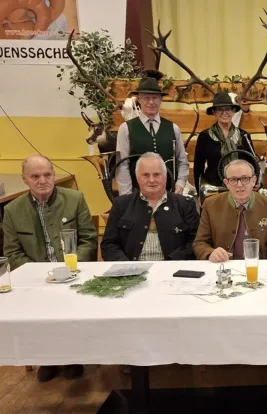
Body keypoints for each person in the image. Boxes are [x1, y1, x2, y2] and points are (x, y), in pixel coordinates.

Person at [2, 155, 97, 382]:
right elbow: (12, 252)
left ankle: (73, 356)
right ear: (25, 179)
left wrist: (70, 269)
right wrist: (38, 275)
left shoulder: (75, 199)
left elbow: (89, 240)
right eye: (35, 176)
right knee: (36, 309)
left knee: (69, 305)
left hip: (73, 273)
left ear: (54, 175)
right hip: (34, 279)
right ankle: (47, 358)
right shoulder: (13, 210)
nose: (42, 180)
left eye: (47, 175)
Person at [101, 153, 199, 261]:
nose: (151, 180)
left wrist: (170, 264)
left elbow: (195, 243)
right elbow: (109, 245)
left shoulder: (185, 205)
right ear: (137, 178)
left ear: (165, 176)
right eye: (146, 175)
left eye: (157, 174)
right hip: (130, 274)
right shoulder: (121, 205)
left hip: (173, 272)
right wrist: (126, 266)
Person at [116, 69, 189, 195]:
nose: (151, 102)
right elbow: (122, 165)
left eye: (155, 97)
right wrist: (126, 196)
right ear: (139, 99)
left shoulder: (173, 128)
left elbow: (182, 161)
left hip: (169, 194)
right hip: (137, 194)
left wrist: (180, 185)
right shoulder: (125, 128)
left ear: (161, 99)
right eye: (146, 97)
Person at [193, 160, 267, 261]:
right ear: (226, 183)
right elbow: (199, 243)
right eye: (233, 180)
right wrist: (210, 253)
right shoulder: (210, 204)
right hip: (223, 266)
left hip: (258, 268)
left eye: (245, 179)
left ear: (254, 181)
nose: (239, 185)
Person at [193, 92, 258, 196]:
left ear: (233, 111)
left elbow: (252, 163)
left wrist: (255, 182)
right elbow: (198, 168)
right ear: (214, 112)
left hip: (240, 189)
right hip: (214, 190)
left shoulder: (243, 135)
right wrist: (200, 193)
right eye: (220, 109)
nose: (224, 113)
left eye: (227, 109)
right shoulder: (205, 136)